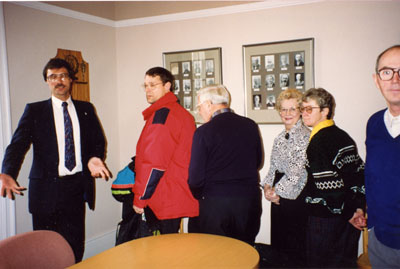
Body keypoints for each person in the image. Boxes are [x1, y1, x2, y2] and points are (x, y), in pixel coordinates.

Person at [0, 58, 111, 262]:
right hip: (45, 192)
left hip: (75, 189)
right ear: (47, 81)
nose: (58, 81)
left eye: (62, 76)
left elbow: (98, 141)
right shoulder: (35, 111)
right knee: (45, 249)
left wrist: (94, 157)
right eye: (52, 77)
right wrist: (7, 172)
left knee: (74, 246)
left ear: (71, 80)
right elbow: (18, 145)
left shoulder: (86, 109)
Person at [188, 85, 262, 245]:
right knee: (244, 252)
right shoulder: (250, 125)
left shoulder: (203, 132)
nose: (199, 111)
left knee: (217, 256)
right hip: (249, 202)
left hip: (216, 205)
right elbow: (258, 161)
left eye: (199, 107)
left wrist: (200, 195)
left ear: (208, 104)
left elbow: (195, 178)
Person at [301, 87, 366, 268]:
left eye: (309, 109)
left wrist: (349, 213)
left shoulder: (318, 141)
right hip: (348, 217)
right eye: (302, 109)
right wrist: (358, 208)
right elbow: (360, 173)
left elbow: (330, 187)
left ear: (325, 111)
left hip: (325, 220)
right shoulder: (343, 136)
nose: (304, 114)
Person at [133, 67, 198, 234]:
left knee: (163, 254)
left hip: (163, 197)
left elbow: (154, 164)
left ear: (167, 86)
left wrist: (140, 198)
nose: (148, 90)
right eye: (145, 85)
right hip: (176, 193)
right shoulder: (182, 113)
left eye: (153, 85)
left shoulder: (162, 116)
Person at [261, 89, 310, 267]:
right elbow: (273, 166)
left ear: (300, 111)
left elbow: (297, 173)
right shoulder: (280, 138)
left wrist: (276, 193)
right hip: (278, 196)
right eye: (283, 109)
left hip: (296, 197)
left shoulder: (306, 137)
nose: (287, 114)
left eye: (292, 109)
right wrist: (266, 187)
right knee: (279, 248)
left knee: (295, 249)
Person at [364, 44, 400, 268]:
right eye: (387, 72)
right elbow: (375, 174)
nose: (395, 79)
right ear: (377, 80)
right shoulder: (375, 122)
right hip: (381, 241)